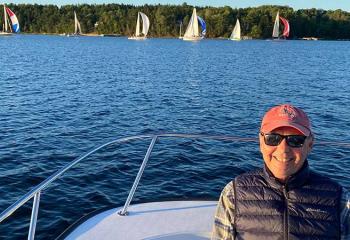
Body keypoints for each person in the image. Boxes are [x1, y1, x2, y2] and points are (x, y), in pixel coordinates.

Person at [212, 104, 350, 240]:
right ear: (261, 142)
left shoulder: (340, 200)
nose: (283, 149)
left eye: (295, 140)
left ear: (310, 144)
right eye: (273, 139)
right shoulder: (233, 195)